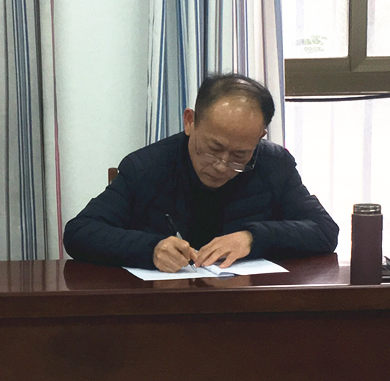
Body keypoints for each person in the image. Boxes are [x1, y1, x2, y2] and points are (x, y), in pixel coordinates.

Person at [63, 73, 338, 272]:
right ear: (190, 121)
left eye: (239, 156)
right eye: (213, 149)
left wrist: (252, 238)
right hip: (163, 310)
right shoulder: (146, 167)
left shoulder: (275, 165)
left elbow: (324, 230)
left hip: (249, 308)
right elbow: (80, 232)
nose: (221, 165)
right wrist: (151, 249)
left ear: (259, 137)